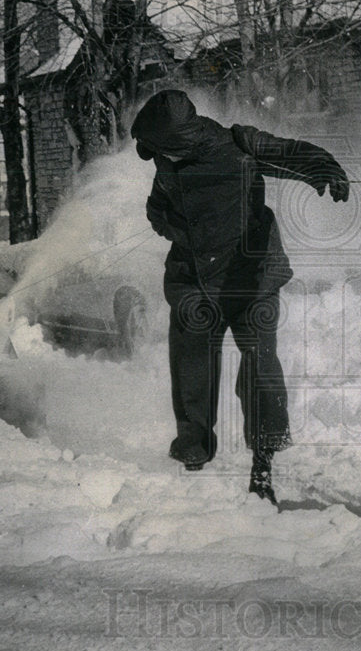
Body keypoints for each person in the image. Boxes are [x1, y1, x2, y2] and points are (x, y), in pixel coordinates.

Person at [131, 90, 349, 504]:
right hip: (195, 278)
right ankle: (193, 453)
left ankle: (263, 464)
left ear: (182, 141)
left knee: (259, 366)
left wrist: (327, 170)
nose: (160, 159)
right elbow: (156, 209)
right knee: (192, 364)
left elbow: (292, 153)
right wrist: (179, 233)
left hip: (252, 276)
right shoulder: (165, 161)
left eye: (163, 150)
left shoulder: (238, 144)